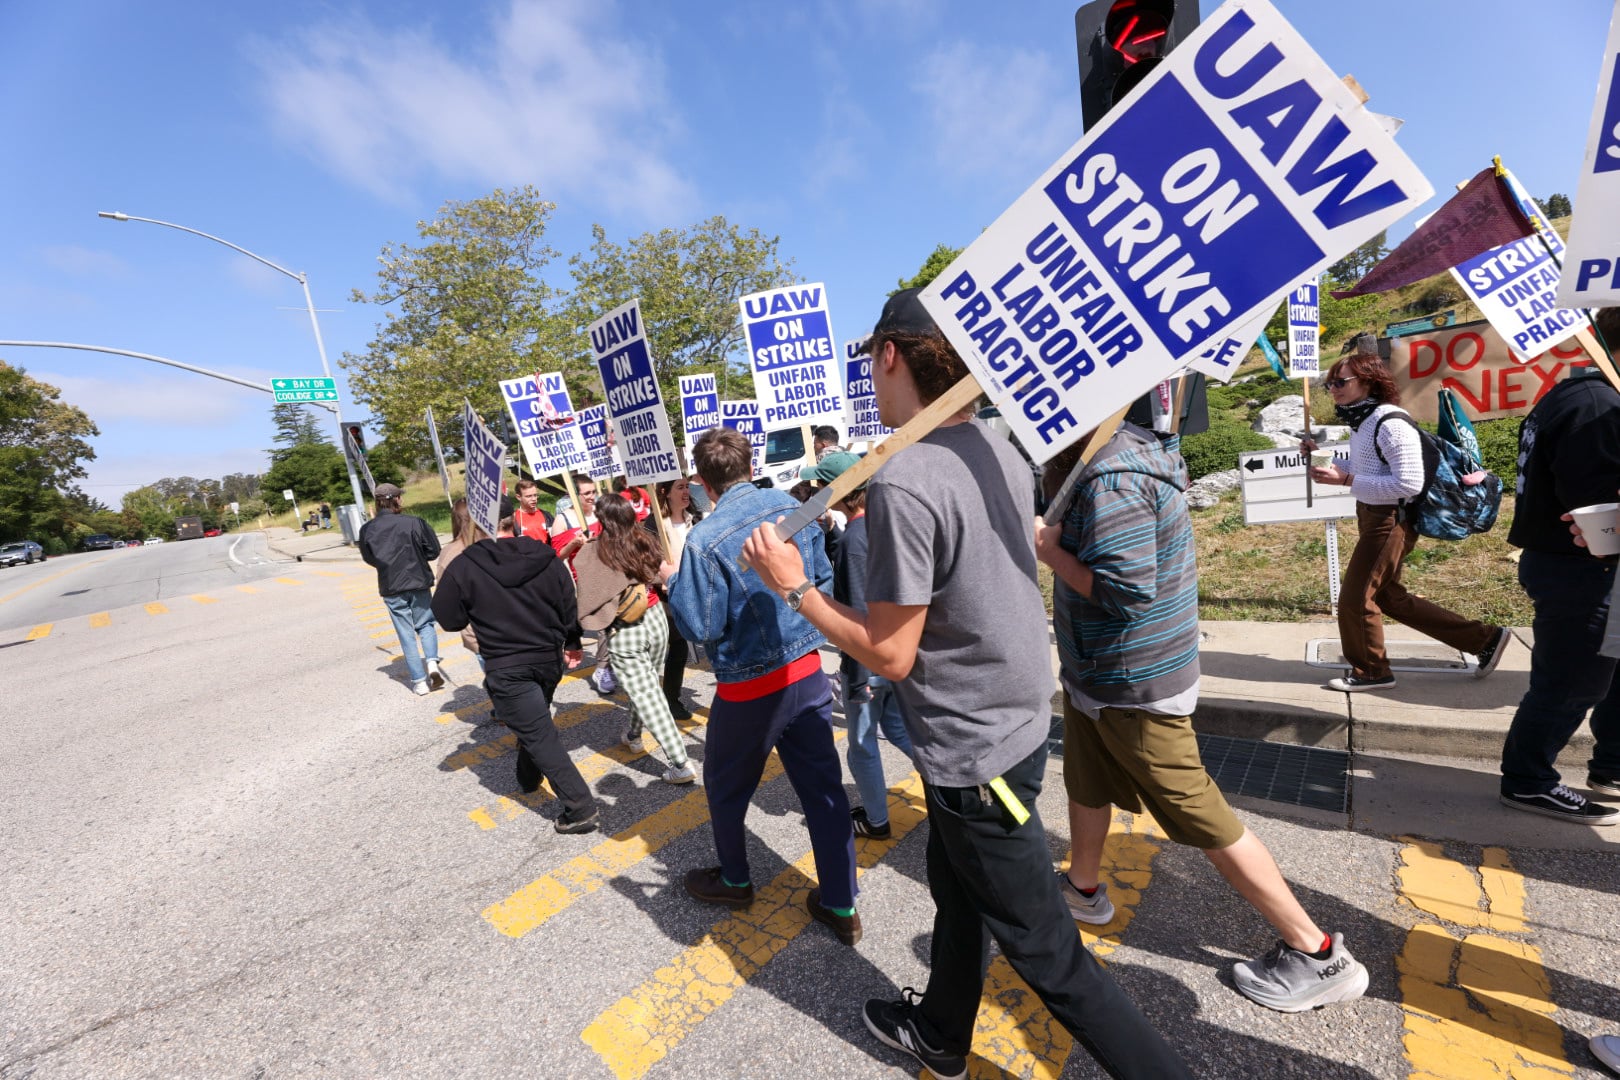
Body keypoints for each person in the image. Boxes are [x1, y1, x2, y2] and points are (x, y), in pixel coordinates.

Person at [741, 289, 1189, 1080]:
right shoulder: (997, 442)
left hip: (974, 751)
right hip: (1012, 723)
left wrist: (793, 586)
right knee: (957, 890)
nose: (868, 386)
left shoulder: (907, 480)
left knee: (1051, 956)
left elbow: (888, 655)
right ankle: (943, 1033)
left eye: (869, 367)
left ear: (889, 355)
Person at [1035, 426, 1368, 1014]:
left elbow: (1126, 592)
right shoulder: (1099, 458)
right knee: (1087, 781)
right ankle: (1082, 888)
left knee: (1197, 809)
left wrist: (1048, 551)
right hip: (1099, 671)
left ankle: (1316, 952)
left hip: (1132, 677)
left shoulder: (1114, 477)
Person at [665, 426, 859, 947]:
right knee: (823, 792)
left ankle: (734, 879)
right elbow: (817, 578)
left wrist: (672, 584)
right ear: (750, 464)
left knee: (725, 789)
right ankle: (841, 903)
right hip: (808, 672)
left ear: (705, 482)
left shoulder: (704, 540)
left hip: (750, 689)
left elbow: (700, 628)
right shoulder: (793, 507)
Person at [1304, 352, 1510, 692]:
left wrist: (1345, 481)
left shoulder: (1390, 422)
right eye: (1330, 384)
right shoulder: (1363, 420)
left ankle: (1371, 671)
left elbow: (1409, 484)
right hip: (1373, 514)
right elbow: (1368, 467)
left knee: (1356, 598)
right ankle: (1485, 639)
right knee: (1388, 597)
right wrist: (1321, 457)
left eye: (1341, 382)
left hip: (1391, 520)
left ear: (1369, 380)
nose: (1334, 389)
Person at [1495, 315, 1620, 825]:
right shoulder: (1599, 405)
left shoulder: (1577, 394)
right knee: (1573, 682)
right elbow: (1597, 513)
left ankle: (1611, 765)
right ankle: (1528, 780)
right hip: (1582, 569)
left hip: (1574, 565)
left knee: (1612, 675)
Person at [432, 508, 599, 834]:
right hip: (548, 659)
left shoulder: (464, 564)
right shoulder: (546, 556)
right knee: (535, 723)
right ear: (515, 521)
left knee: (539, 732)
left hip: (508, 665)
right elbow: (568, 602)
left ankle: (580, 808)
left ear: (476, 524)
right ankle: (528, 776)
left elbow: (449, 619)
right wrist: (573, 641)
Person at [808, 450, 914, 840]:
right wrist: (834, 534)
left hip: (868, 663)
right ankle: (947, 788)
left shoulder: (856, 539)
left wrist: (858, 675)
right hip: (896, 654)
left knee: (861, 745)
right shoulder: (880, 526)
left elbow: (857, 614)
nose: (820, 491)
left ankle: (876, 820)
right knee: (900, 730)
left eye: (824, 485)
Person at [572, 492, 696, 784]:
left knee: (648, 694)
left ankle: (680, 764)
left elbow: (584, 585)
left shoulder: (595, 550)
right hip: (656, 621)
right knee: (647, 685)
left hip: (625, 629)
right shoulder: (643, 539)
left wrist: (582, 547)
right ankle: (633, 735)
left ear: (602, 519)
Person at [358, 482, 444, 696]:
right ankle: (432, 663)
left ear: (377, 503)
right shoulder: (415, 522)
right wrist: (417, 558)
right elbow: (433, 550)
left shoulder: (367, 529)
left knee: (405, 634)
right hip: (418, 581)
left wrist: (387, 566)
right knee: (425, 625)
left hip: (390, 585)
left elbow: (369, 558)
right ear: (396, 499)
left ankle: (419, 682)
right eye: (400, 497)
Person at [550, 474, 614, 695]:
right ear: (573, 496)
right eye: (586, 493)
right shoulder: (563, 520)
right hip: (585, 580)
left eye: (593, 492)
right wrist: (574, 542)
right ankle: (603, 668)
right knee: (605, 623)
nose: (591, 497)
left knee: (617, 621)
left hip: (610, 574)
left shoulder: (600, 513)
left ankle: (611, 663)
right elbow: (556, 556)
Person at [653, 477, 701, 720]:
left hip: (698, 593)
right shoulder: (654, 526)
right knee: (676, 648)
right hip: (668, 599)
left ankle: (671, 698)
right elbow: (647, 565)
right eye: (680, 487)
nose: (686, 492)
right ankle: (669, 700)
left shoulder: (697, 519)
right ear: (665, 492)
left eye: (687, 487)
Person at [435, 498, 481, 670]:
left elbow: (444, 601)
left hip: (479, 633)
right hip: (501, 630)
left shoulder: (449, 552)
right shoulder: (492, 543)